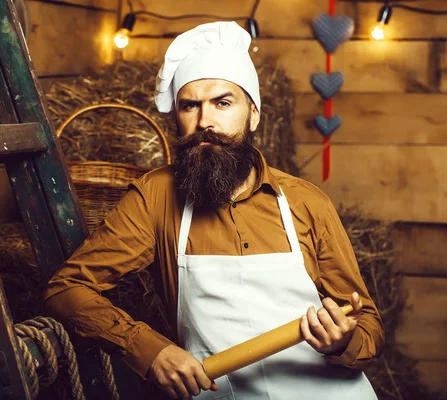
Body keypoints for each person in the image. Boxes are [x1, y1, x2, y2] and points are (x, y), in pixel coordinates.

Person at [44, 21, 383, 400]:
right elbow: (67, 288)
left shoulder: (306, 201)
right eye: (191, 105)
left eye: (223, 103)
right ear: (177, 117)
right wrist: (150, 350)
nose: (206, 121)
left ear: (253, 115)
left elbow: (367, 324)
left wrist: (341, 343)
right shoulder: (157, 196)